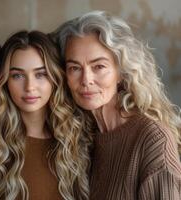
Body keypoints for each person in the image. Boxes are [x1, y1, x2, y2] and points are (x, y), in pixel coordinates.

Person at [52, 10, 181, 199]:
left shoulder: (153, 140)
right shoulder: (79, 136)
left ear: (121, 71)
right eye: (74, 68)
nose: (86, 80)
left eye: (99, 66)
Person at [0, 31, 92, 200]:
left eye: (41, 74)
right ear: (5, 81)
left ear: (55, 78)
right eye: (17, 75)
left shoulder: (80, 138)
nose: (30, 87)